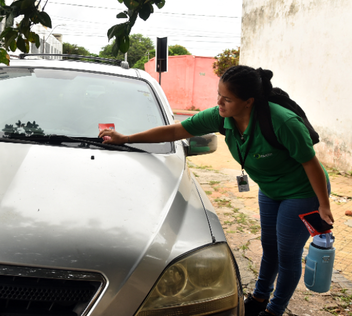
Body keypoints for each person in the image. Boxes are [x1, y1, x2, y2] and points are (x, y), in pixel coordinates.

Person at [99, 65, 334, 316]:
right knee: (270, 247)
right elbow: (177, 130)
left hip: (303, 191)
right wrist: (126, 138)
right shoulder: (221, 116)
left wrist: (323, 205)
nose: (219, 102)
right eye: (218, 94)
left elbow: (310, 163)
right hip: (270, 190)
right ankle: (259, 297)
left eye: (227, 98)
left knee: (287, 254)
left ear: (248, 102)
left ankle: (275, 310)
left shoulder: (282, 122)